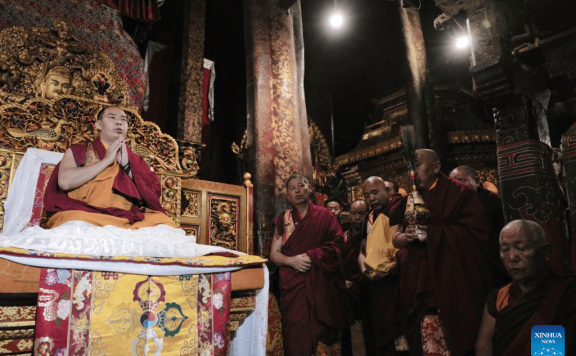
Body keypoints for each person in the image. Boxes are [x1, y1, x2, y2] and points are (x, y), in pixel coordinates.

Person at [391, 149, 494, 356]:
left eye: (417, 165)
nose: (412, 171)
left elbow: (476, 234)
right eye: (409, 166)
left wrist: (433, 234)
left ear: (436, 167)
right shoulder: (410, 199)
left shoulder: (459, 193)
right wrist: (408, 235)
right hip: (417, 282)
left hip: (452, 280)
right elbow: (397, 238)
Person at [43, 106, 176, 229]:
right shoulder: (80, 150)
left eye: (123, 120)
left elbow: (152, 195)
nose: (119, 122)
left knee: (165, 223)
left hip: (127, 217)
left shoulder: (134, 159)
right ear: (98, 125)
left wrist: (128, 167)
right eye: (112, 117)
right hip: (88, 214)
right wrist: (106, 161)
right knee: (74, 220)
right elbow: (65, 182)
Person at [270, 174, 352, 356]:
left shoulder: (325, 216)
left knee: (323, 334)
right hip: (294, 286)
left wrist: (313, 255)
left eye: (301, 186)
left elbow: (338, 245)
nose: (297, 191)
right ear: (288, 195)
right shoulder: (284, 220)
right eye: (292, 188)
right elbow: (274, 254)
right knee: (296, 330)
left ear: (309, 188)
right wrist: (292, 261)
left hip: (321, 285)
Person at [476, 220, 576, 356]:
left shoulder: (561, 294)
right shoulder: (498, 297)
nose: (512, 257)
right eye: (505, 249)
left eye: (522, 248)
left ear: (546, 252)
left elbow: (548, 351)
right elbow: (484, 344)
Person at [358, 176, 406, 355]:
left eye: (375, 192)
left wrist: (393, 268)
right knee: (374, 336)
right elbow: (362, 248)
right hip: (372, 283)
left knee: (394, 336)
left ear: (387, 191)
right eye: (366, 195)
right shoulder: (369, 217)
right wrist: (364, 269)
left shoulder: (397, 210)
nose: (371, 198)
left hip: (393, 282)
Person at [450, 166, 509, 286]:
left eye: (461, 180)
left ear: (476, 181)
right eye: (452, 182)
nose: (455, 185)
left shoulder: (493, 201)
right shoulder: (451, 205)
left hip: (492, 258)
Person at [340, 199, 369, 356]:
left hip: (363, 288)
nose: (357, 217)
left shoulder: (371, 235)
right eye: (353, 213)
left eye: (361, 213)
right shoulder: (341, 234)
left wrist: (356, 282)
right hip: (342, 289)